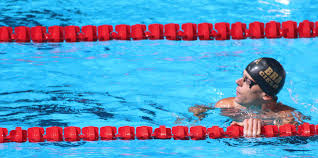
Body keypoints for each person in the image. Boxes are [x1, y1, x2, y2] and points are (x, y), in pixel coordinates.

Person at [189, 57, 306, 137]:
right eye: (242, 76)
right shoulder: (226, 106)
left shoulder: (288, 116)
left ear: (266, 95)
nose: (237, 82)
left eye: (247, 81)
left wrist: (264, 126)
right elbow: (197, 110)